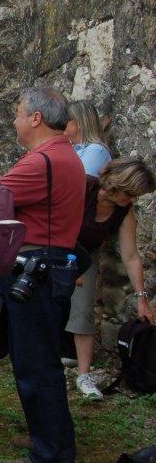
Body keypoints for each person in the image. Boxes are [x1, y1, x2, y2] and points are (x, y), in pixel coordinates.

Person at [0, 87, 85, 463]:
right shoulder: (61, 155)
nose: (15, 121)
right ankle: (46, 435)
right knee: (37, 358)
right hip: (49, 266)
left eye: (18, 113)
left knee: (37, 363)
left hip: (37, 268)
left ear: (35, 118)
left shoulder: (43, 162)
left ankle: (50, 454)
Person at [67, 158, 155, 400]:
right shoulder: (82, 186)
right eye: (133, 194)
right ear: (119, 187)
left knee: (83, 309)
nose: (134, 200)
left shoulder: (124, 212)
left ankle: (83, 375)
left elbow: (131, 257)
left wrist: (141, 298)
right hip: (55, 247)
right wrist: (65, 266)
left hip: (86, 255)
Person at [65, 100, 112, 176]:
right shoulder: (72, 148)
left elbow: (80, 182)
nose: (62, 123)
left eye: (66, 120)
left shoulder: (96, 150)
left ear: (80, 122)